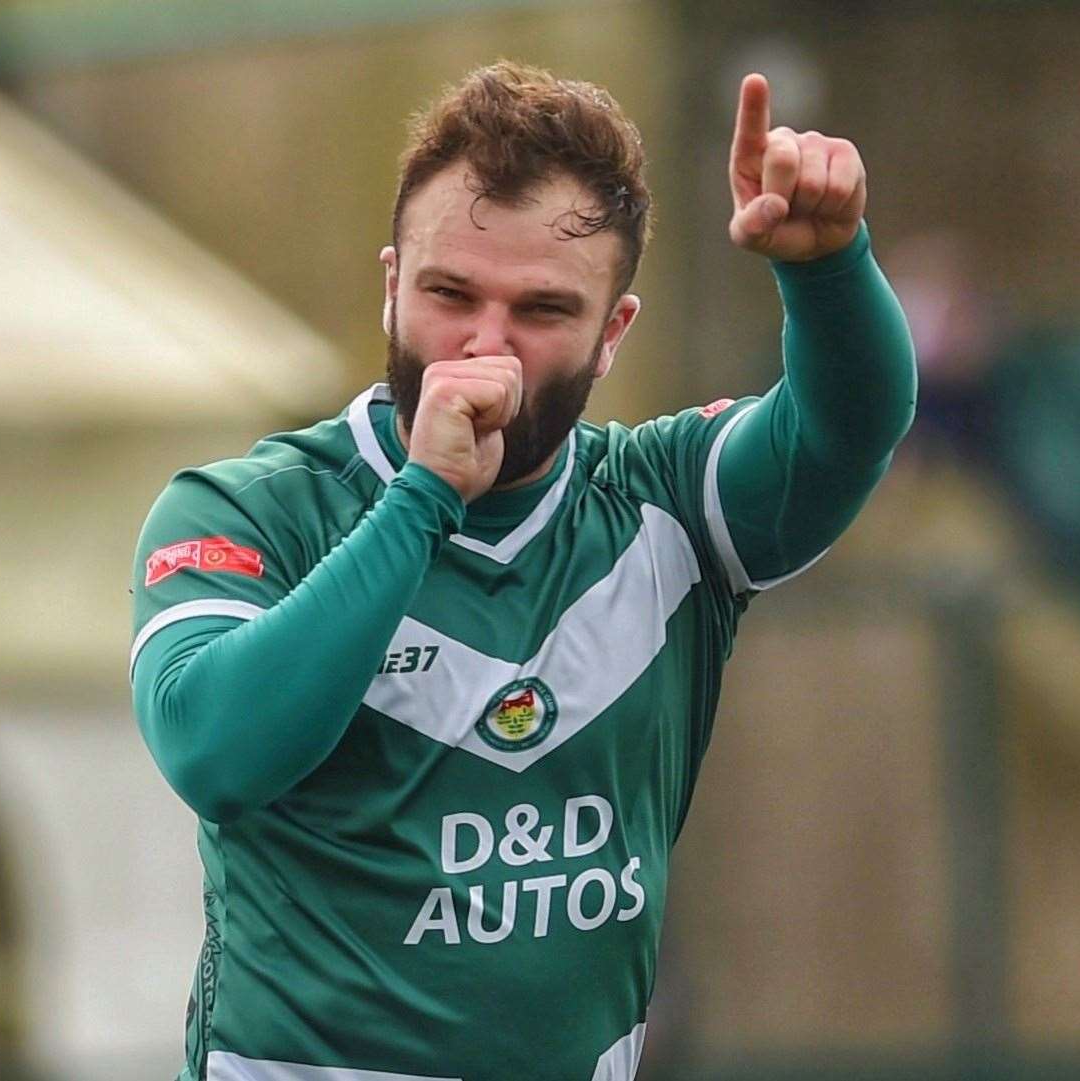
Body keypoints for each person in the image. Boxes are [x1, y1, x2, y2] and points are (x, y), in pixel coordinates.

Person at [130, 61, 915, 1081]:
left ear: (610, 335)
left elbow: (847, 432)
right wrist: (422, 500)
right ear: (389, 285)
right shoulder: (251, 511)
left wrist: (829, 268)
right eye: (448, 293)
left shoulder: (661, 502)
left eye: (541, 311)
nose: (482, 347)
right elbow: (215, 751)